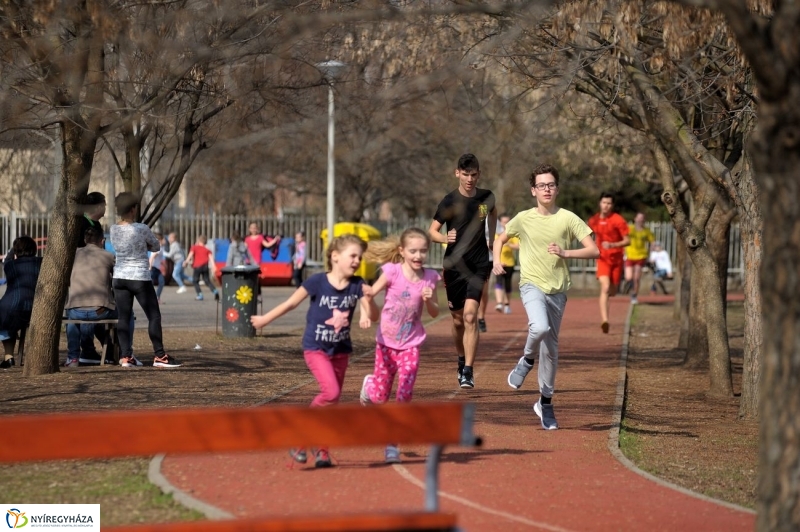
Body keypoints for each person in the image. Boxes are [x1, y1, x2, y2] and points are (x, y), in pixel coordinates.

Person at [250, 234, 372, 468]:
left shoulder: (358, 284)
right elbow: (291, 303)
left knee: (331, 404)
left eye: (360, 257)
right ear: (335, 256)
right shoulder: (317, 281)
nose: (357, 260)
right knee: (331, 393)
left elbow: (370, 311)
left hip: (341, 350)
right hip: (315, 348)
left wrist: (368, 310)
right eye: (353, 255)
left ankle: (322, 450)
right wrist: (265, 319)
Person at [494, 163, 598, 430]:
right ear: (533, 190)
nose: (547, 189)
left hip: (558, 290)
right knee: (538, 326)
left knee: (551, 350)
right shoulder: (523, 218)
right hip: (531, 284)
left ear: (557, 188)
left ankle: (545, 403)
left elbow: (593, 250)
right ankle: (527, 359)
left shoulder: (568, 218)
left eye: (551, 184)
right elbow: (500, 239)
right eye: (542, 185)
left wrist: (566, 253)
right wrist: (496, 261)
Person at [358, 228, 441, 464]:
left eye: (423, 251)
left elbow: (434, 312)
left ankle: (392, 444)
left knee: (404, 391)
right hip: (386, 343)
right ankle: (369, 385)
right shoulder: (392, 271)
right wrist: (366, 303)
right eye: (413, 251)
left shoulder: (430, 277)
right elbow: (370, 293)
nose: (418, 255)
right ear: (402, 251)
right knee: (380, 397)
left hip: (411, 344)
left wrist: (430, 299)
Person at [428, 153, 496, 389]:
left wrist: (492, 240)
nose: (470, 179)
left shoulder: (487, 197)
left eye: (474, 174)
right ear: (457, 173)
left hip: (478, 265)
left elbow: (493, 213)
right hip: (454, 267)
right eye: (466, 174)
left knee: (470, 315)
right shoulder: (449, 201)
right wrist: (444, 237)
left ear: (479, 174)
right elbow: (432, 231)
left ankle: (468, 370)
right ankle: (460, 359)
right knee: (458, 320)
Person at [110, 192, 181, 368]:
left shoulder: (113, 229)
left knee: (124, 318)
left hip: (119, 276)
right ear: (133, 209)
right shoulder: (141, 228)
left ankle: (126, 356)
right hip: (139, 276)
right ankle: (159, 355)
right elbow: (156, 246)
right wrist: (145, 245)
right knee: (154, 316)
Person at [64, 227, 118, 367]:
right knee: (124, 314)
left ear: (84, 240)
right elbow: (117, 278)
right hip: (100, 309)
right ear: (102, 240)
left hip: (75, 309)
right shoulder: (108, 256)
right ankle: (120, 353)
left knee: (74, 319)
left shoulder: (72, 254)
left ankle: (73, 357)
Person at [587, 193, 630, 334]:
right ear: (600, 203)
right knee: (605, 288)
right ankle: (605, 320)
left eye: (609, 203)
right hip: (602, 259)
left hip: (616, 259)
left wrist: (613, 244)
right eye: (604, 202)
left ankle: (612, 292)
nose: (606, 205)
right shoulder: (594, 220)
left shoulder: (618, 220)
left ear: (612, 205)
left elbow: (627, 241)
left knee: (613, 290)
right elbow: (585, 235)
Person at [0, 236, 42, 369]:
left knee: (4, 326)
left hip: (9, 306)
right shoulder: (41, 263)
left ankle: (9, 357)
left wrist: (14, 249)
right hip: (36, 306)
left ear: (16, 251)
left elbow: (7, 259)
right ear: (34, 249)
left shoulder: (10, 266)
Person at [624, 212, 655, 304]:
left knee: (636, 277)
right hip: (629, 255)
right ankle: (631, 287)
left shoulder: (646, 231)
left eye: (642, 218)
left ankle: (634, 295)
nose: (640, 220)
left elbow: (652, 242)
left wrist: (651, 252)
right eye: (639, 218)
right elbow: (623, 238)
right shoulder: (630, 229)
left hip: (641, 256)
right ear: (635, 219)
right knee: (628, 277)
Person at [494, 214, 519, 314]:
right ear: (500, 222)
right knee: (499, 281)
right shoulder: (496, 234)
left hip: (509, 263)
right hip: (499, 263)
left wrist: (510, 245)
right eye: (504, 222)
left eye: (508, 221)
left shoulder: (512, 234)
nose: (506, 224)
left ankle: (507, 304)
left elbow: (519, 246)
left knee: (507, 284)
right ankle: (499, 303)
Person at [183, 235, 219, 301]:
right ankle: (215, 291)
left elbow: (190, 255)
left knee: (195, 281)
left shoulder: (194, 247)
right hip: (205, 267)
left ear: (198, 241)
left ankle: (199, 295)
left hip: (197, 267)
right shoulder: (207, 250)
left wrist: (186, 262)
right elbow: (211, 259)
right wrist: (214, 267)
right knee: (207, 281)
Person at [149, 233, 166, 303]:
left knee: (161, 282)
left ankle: (157, 298)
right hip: (153, 269)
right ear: (160, 240)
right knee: (150, 285)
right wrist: (150, 266)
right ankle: (151, 299)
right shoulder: (158, 248)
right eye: (164, 239)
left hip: (157, 269)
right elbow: (152, 257)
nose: (165, 241)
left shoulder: (160, 248)